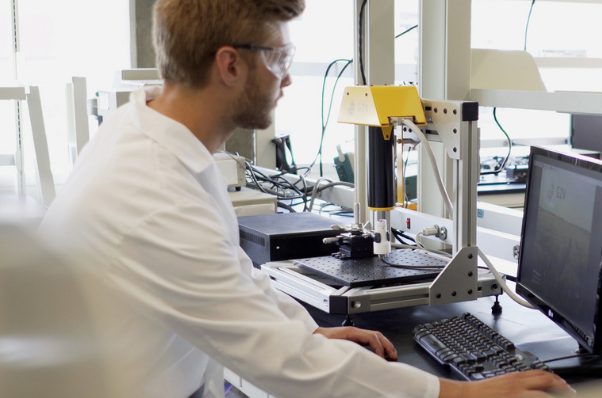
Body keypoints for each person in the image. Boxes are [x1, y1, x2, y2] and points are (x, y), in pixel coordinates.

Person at [38, 1, 574, 397]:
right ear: (229, 65)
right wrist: (460, 393)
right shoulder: (152, 189)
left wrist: (308, 328)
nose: (288, 76)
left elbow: (231, 275)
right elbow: (283, 365)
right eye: (278, 56)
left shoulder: (148, 132)